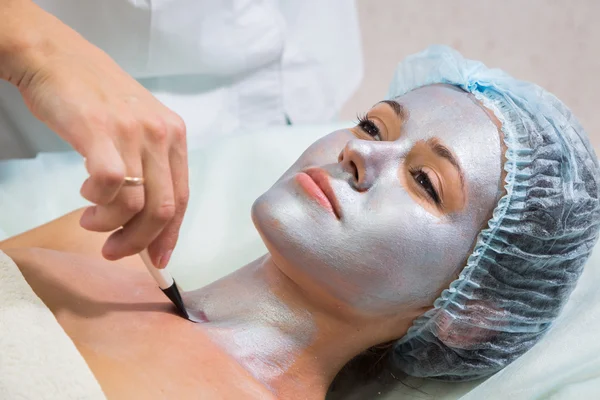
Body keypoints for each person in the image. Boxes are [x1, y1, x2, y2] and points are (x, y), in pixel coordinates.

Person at [1, 46, 598, 399]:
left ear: (468, 317)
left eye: (425, 181)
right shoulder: (94, 241)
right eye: (372, 126)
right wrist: (34, 50)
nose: (362, 153)